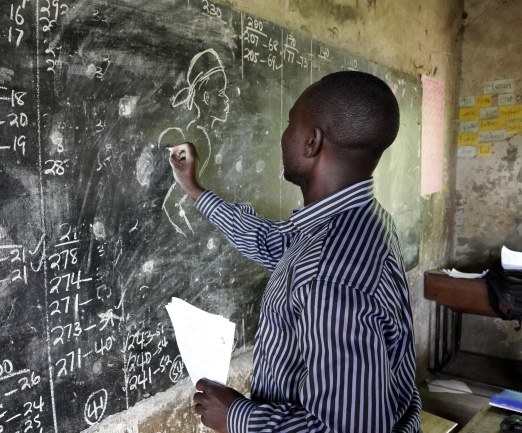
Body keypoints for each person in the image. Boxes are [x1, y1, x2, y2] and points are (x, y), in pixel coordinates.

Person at [168, 71, 421, 433]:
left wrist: (235, 416)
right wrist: (194, 190)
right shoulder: (357, 221)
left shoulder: (331, 279)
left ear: (311, 142)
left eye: (289, 124)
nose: (283, 134)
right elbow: (271, 241)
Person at [160, 48, 230, 237]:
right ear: (207, 97)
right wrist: (192, 239)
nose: (226, 99)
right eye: (221, 93)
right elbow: (172, 202)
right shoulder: (197, 138)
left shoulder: (209, 136)